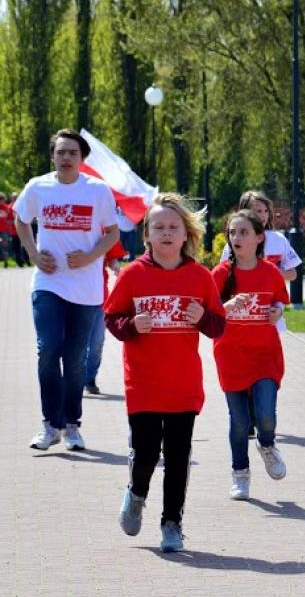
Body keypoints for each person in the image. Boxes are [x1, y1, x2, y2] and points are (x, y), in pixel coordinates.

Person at [104, 192, 225, 552]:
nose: (167, 233)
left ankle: (172, 523)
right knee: (145, 452)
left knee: (177, 455)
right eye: (159, 227)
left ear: (185, 234)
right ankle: (137, 493)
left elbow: (219, 326)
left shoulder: (200, 277)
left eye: (174, 227)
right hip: (142, 383)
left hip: (183, 385)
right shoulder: (133, 275)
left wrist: (201, 318)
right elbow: (112, 317)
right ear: (147, 235)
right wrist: (130, 325)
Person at [14, 129, 119, 451]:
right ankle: (50, 426)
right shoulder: (38, 187)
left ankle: (72, 425)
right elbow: (21, 220)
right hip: (49, 282)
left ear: (81, 158)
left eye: (72, 152)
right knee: (48, 349)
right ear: (53, 156)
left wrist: (90, 256)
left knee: (75, 360)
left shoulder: (97, 191)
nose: (66, 158)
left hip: (86, 289)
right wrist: (33, 254)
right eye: (61, 152)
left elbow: (112, 233)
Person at [212, 209, 289, 501]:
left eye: (243, 232)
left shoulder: (270, 271)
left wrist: (278, 311)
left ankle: (267, 446)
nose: (236, 238)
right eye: (232, 233)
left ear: (259, 237)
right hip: (231, 356)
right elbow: (208, 310)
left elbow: (281, 299)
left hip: (265, 355)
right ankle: (240, 474)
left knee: (266, 415)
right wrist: (228, 306)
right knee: (240, 421)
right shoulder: (221, 273)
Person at [84, 240, 125, 395]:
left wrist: (115, 266)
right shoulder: (71, 228)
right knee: (78, 343)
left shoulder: (105, 229)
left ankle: (89, 379)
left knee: (96, 342)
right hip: (74, 297)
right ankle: (75, 379)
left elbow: (111, 256)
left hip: (100, 297)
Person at [0, 193, 10, 268]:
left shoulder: (6, 208)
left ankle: (6, 262)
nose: (2, 201)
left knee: (5, 246)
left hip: (4, 230)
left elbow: (10, 219)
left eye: (3, 199)